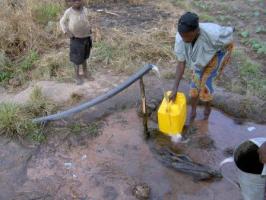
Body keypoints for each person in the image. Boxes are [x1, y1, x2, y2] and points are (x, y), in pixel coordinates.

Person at [170, 12, 234, 123]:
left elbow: (229, 35)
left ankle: (207, 111)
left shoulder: (213, 34)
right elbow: (181, 63)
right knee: (194, 85)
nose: (184, 39)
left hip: (218, 52)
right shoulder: (181, 38)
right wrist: (175, 88)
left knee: (206, 84)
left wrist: (215, 56)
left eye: (187, 36)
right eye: (182, 36)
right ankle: (193, 112)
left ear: (196, 31)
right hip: (200, 56)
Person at [60, 0, 93, 85]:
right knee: (76, 59)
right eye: (74, 0)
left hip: (86, 37)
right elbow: (62, 22)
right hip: (76, 39)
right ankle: (76, 76)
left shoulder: (85, 10)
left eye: (79, 0)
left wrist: (90, 28)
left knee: (85, 56)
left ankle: (85, 73)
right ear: (70, 2)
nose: (77, 2)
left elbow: (88, 19)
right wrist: (66, 32)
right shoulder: (69, 12)